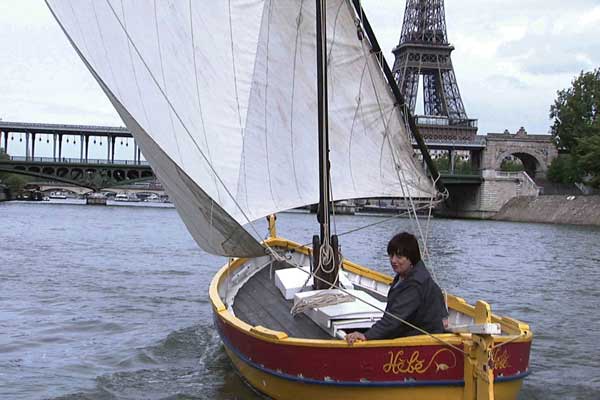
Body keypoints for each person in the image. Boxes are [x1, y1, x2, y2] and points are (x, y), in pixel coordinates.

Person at [346, 232, 446, 344]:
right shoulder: (407, 275)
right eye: (391, 255)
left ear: (411, 258)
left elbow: (394, 319)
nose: (393, 260)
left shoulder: (416, 284)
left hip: (422, 341)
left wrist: (366, 336)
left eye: (399, 256)